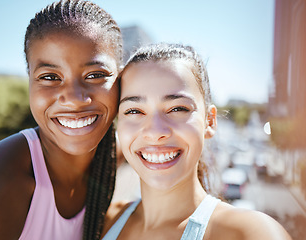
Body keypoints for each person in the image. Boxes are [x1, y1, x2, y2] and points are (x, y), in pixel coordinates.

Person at [0, 0, 123, 239]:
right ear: (29, 80)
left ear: (121, 79)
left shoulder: (121, 152)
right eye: (50, 76)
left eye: (95, 75)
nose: (73, 99)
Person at [101, 43, 291, 240]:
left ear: (209, 121)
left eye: (177, 109)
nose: (155, 132)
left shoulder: (252, 234)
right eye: (134, 111)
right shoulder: (104, 220)